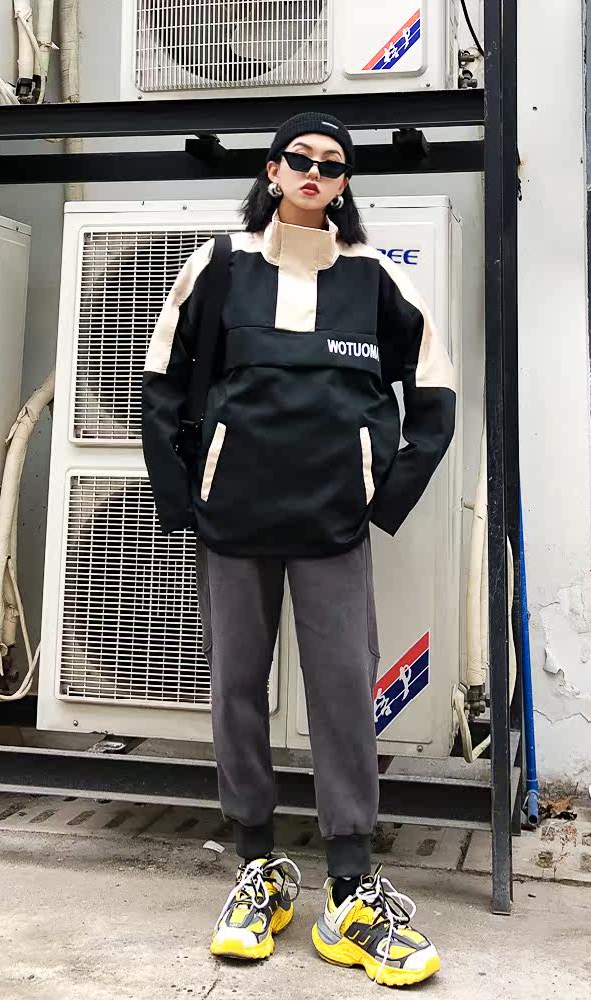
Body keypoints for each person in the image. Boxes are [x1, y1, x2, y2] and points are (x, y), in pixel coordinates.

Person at [141, 112, 456, 987]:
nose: (315, 172)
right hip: (232, 522)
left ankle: (350, 881)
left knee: (345, 692)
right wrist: (183, 499)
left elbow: (434, 392)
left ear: (345, 183)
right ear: (272, 170)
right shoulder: (217, 266)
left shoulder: (377, 278)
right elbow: (162, 383)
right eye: (300, 159)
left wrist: (382, 497)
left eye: (333, 163)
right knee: (236, 688)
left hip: (332, 526)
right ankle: (256, 864)